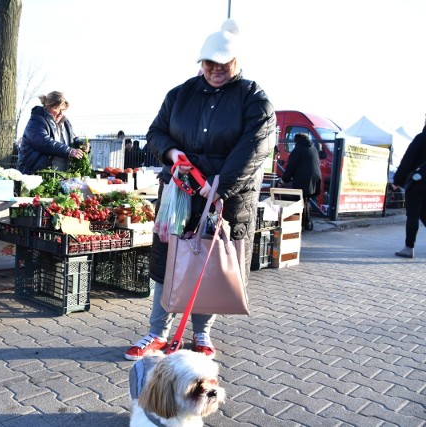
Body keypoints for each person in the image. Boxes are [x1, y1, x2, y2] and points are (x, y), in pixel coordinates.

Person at [124, 19, 275, 361]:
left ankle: (202, 333)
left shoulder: (253, 98)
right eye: (210, 64)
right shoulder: (180, 94)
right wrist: (172, 154)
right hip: (180, 192)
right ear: (200, 63)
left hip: (226, 195)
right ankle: (157, 332)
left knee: (210, 261)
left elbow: (254, 147)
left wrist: (219, 187)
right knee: (169, 260)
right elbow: (157, 132)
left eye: (224, 64)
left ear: (237, 62)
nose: (217, 70)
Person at [17, 91, 89, 174]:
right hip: (36, 174)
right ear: (48, 107)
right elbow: (43, 142)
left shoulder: (65, 123)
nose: (61, 114)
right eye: (58, 109)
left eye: (63, 110)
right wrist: (69, 151)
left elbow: (73, 139)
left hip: (60, 174)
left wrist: (82, 143)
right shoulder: (36, 121)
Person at [391, 124, 426, 258]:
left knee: (413, 215)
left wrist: (397, 180)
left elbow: (408, 159)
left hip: (418, 183)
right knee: (424, 214)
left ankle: (408, 247)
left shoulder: (421, 138)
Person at [281, 133, 321, 231]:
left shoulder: (298, 149)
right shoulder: (313, 148)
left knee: (300, 201)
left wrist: (285, 178)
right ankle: (306, 223)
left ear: (296, 140)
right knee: (305, 200)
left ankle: (301, 224)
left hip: (304, 178)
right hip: (315, 179)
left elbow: (291, 166)